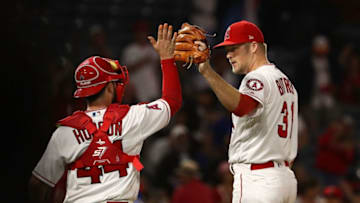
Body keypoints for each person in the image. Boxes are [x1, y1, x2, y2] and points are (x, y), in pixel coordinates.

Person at [28, 23, 181, 203]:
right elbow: (172, 100)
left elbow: (37, 184)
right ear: (109, 88)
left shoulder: (64, 133)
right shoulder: (132, 116)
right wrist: (167, 59)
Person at [196, 20, 298, 202]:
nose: (228, 55)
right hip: (284, 179)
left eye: (234, 48)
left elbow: (242, 106)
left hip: (258, 178)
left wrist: (207, 72)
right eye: (227, 50)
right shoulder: (285, 82)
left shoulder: (257, 77)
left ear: (253, 47)